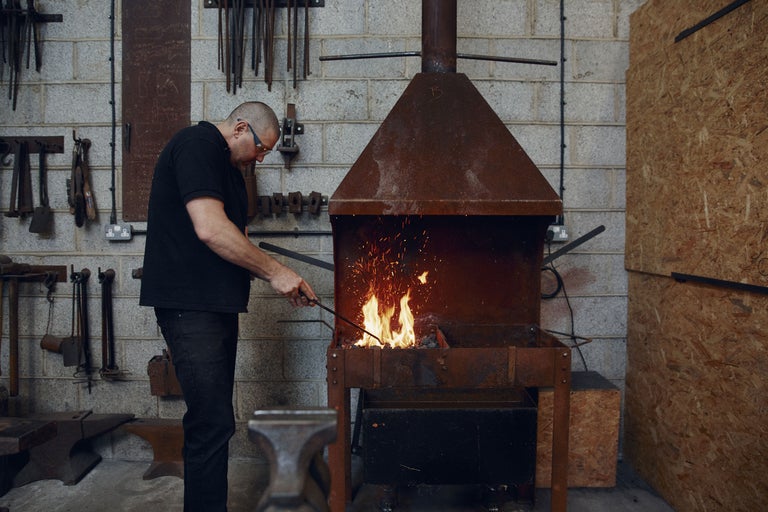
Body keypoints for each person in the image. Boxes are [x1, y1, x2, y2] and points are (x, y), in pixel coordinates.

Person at [139, 101, 317, 512]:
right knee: (210, 423)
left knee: (215, 421)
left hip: (215, 307)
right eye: (261, 148)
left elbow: (236, 243)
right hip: (190, 306)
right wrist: (276, 272)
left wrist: (280, 279)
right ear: (239, 128)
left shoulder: (232, 172)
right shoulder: (197, 144)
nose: (260, 157)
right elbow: (210, 229)